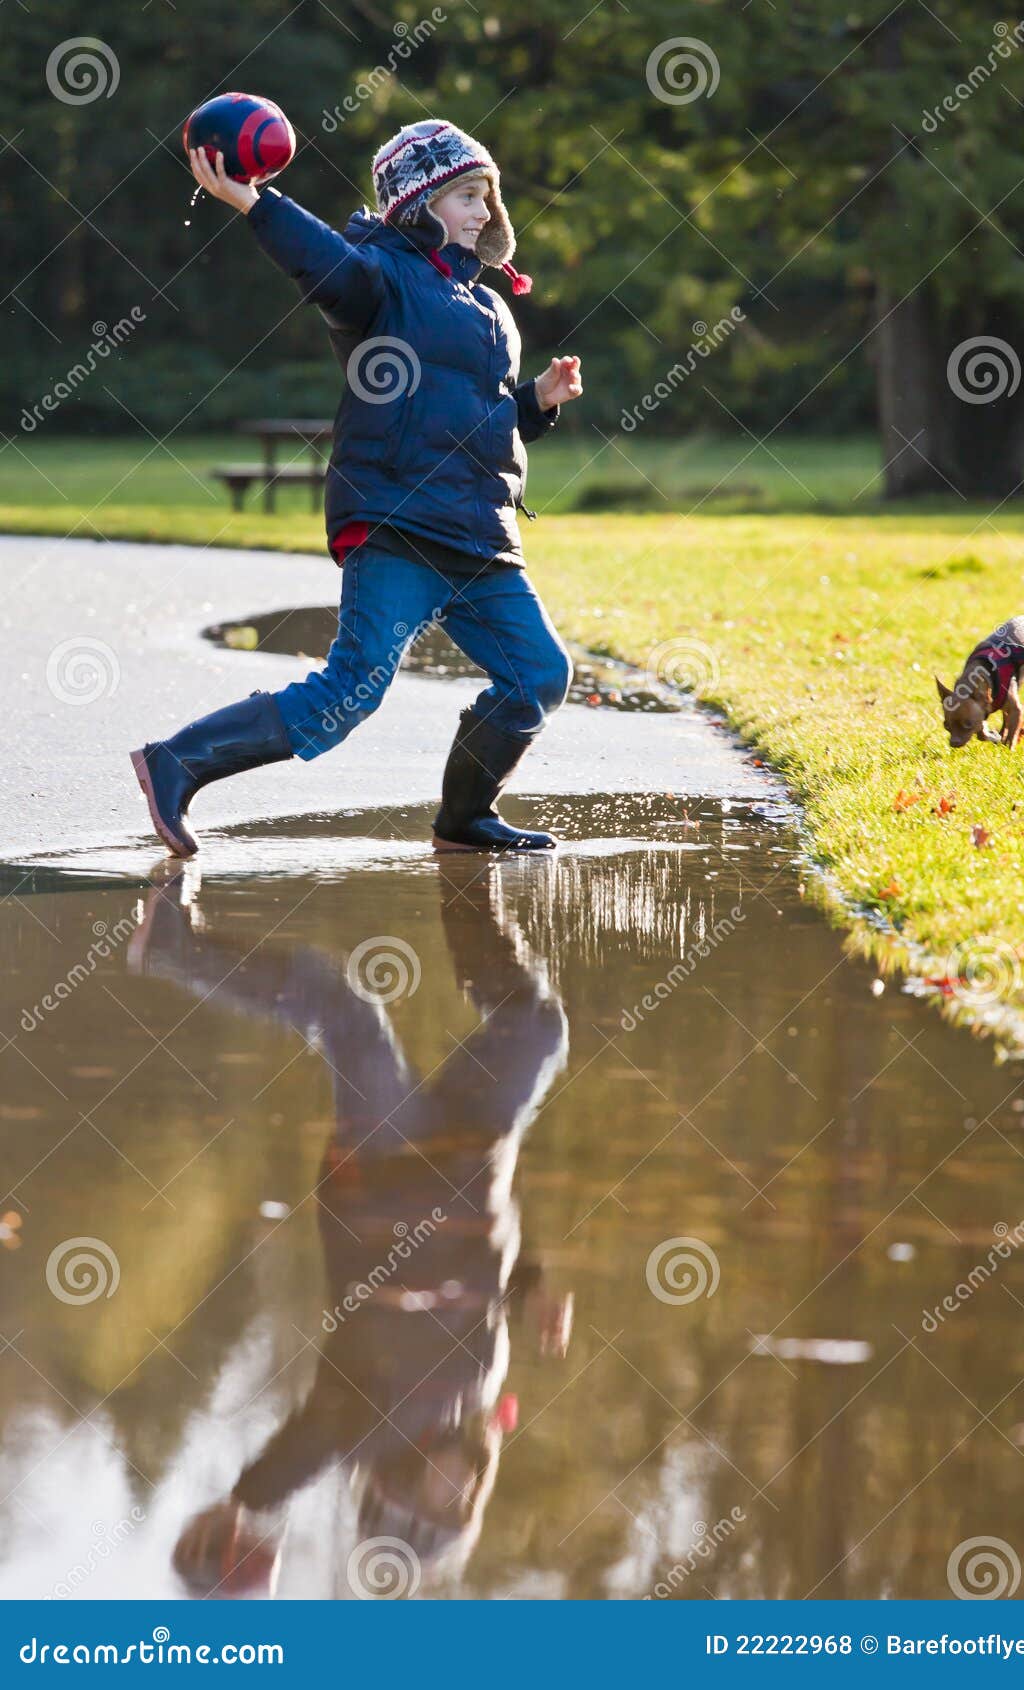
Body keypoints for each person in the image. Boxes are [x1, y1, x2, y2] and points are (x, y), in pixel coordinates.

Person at [130, 118, 583, 860]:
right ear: (418, 203)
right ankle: (177, 761)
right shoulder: (377, 279)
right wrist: (256, 202)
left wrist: (535, 402)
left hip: (479, 536)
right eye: (467, 196)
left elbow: (484, 418)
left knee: (538, 675)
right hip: (399, 523)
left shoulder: (489, 309)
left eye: (487, 197)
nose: (484, 212)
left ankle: (465, 819)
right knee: (350, 692)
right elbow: (322, 264)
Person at [126, 860, 572, 1596]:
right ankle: (468, 891)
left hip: (389, 1164)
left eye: (439, 1502)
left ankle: (174, 951)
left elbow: (314, 1441)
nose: (460, 1489)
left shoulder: (370, 1426)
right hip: (471, 1149)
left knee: (343, 1008)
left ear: (396, 1492)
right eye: (465, 1503)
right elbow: (479, 1279)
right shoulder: (474, 1401)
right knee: (537, 1027)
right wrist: (532, 1288)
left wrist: (248, 1502)